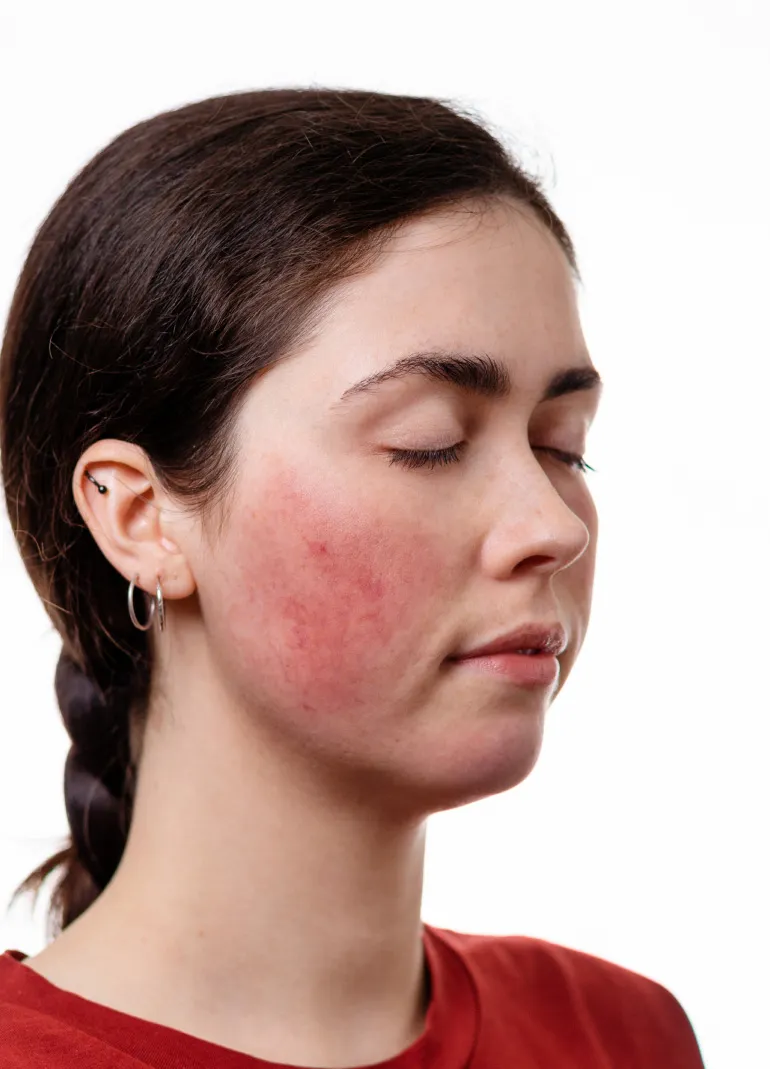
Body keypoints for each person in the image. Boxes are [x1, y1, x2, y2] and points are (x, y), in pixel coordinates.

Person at [0, 87, 705, 1068]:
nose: (551, 526)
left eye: (561, 447)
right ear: (139, 515)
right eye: (431, 443)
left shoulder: (619, 1037)